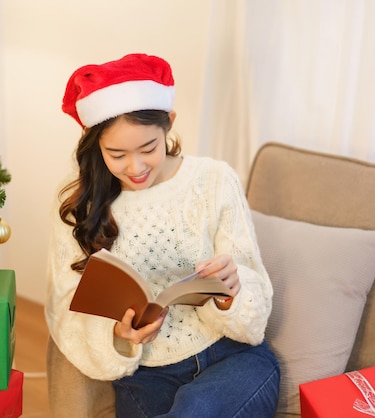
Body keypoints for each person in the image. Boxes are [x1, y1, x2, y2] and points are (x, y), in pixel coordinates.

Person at [45, 53, 280, 417]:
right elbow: (66, 306)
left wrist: (230, 292)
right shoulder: (80, 203)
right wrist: (120, 338)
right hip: (148, 374)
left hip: (233, 358)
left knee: (197, 406)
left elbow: (254, 302)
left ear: (169, 124)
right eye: (117, 154)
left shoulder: (214, 180)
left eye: (148, 148)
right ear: (94, 144)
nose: (136, 167)